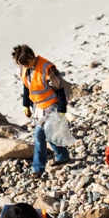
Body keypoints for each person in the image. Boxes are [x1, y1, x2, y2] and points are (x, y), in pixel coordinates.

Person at [12, 45, 70, 179]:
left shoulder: (47, 69)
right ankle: (63, 156)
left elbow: (59, 90)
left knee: (39, 135)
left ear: (32, 57)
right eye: (22, 64)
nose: (24, 66)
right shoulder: (24, 67)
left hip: (52, 105)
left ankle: (37, 169)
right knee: (50, 133)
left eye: (26, 63)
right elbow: (27, 85)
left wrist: (61, 111)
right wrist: (25, 104)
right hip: (38, 106)